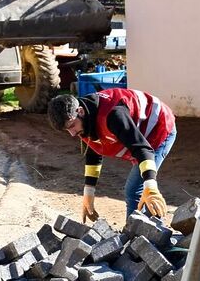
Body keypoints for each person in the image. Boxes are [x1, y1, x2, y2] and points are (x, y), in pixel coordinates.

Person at [47, 88, 176, 221]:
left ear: (80, 111)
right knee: (138, 188)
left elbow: (142, 149)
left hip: (159, 128)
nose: (72, 134)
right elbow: (94, 149)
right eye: (67, 129)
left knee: (134, 189)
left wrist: (151, 187)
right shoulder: (84, 119)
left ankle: (142, 234)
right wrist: (88, 192)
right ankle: (143, 230)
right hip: (139, 135)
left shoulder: (114, 115)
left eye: (72, 126)